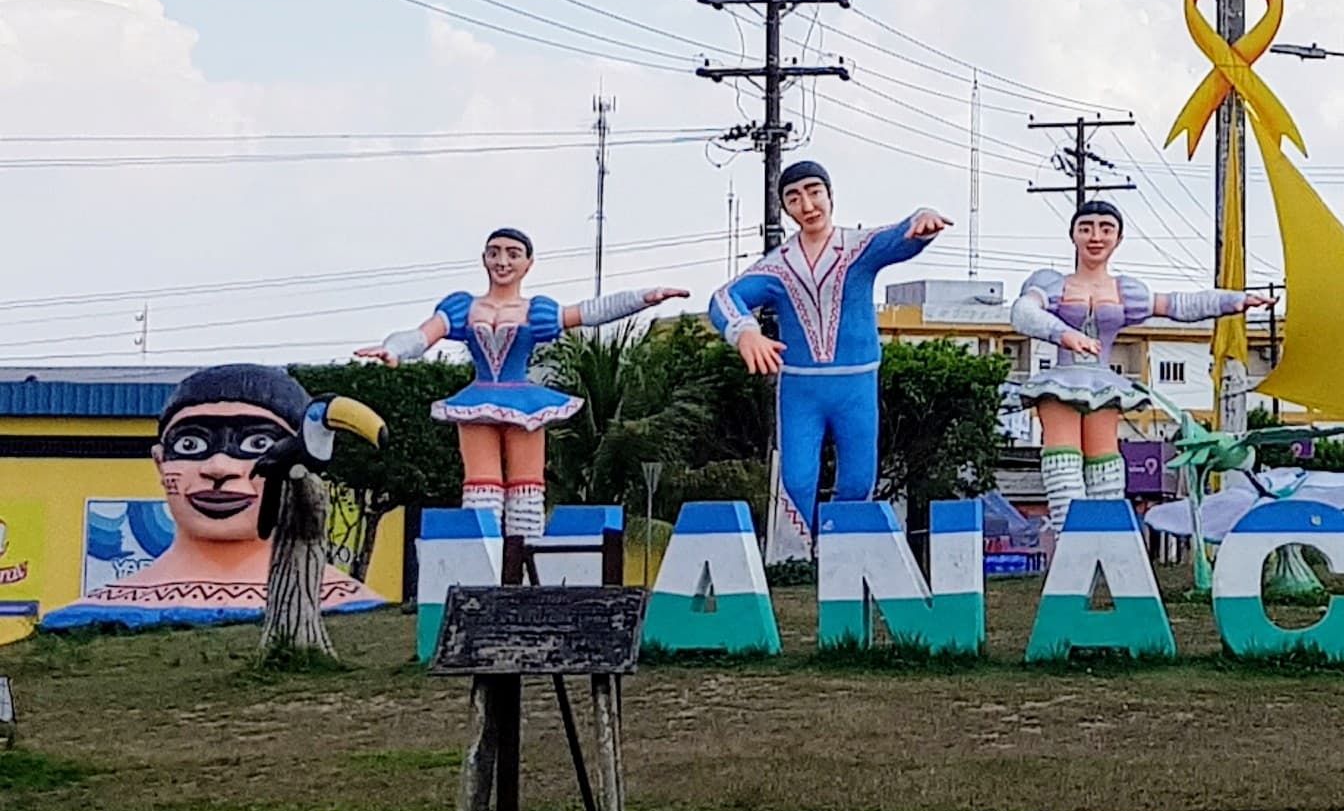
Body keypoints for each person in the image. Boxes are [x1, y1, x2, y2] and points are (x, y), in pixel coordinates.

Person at [362, 228, 688, 535]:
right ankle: (481, 561)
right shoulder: (462, 307)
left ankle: (523, 568)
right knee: (480, 489)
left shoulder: (537, 310)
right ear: (484, 258)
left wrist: (646, 297)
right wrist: (393, 350)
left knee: (526, 490)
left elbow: (591, 311)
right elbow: (423, 335)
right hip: (477, 401)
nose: (502, 261)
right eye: (494, 253)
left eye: (513, 254)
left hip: (524, 404)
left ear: (528, 264)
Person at [708, 160, 951, 548]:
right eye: (794, 197)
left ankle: (845, 554)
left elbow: (899, 235)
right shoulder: (779, 266)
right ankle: (794, 561)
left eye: (813, 191)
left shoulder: (857, 248)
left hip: (856, 382)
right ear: (785, 208)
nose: (807, 204)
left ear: (830, 195)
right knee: (797, 480)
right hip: (801, 388)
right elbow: (724, 298)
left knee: (858, 478)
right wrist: (745, 332)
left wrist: (923, 221)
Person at [42, 364, 384, 628]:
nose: (219, 467)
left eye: (257, 444)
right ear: (160, 462)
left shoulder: (354, 609)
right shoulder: (97, 612)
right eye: (190, 445)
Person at [1006, 199, 1268, 531]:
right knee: (1063, 468)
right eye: (1086, 228)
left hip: (1103, 385)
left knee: (1106, 468)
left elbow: (1178, 304)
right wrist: (1065, 335)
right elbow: (1022, 313)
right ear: (1073, 235)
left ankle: (1107, 542)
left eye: (1106, 229)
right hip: (1060, 383)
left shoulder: (1126, 291)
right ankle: (1067, 544)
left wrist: (1235, 300)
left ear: (1118, 238)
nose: (1095, 237)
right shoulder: (1052, 283)